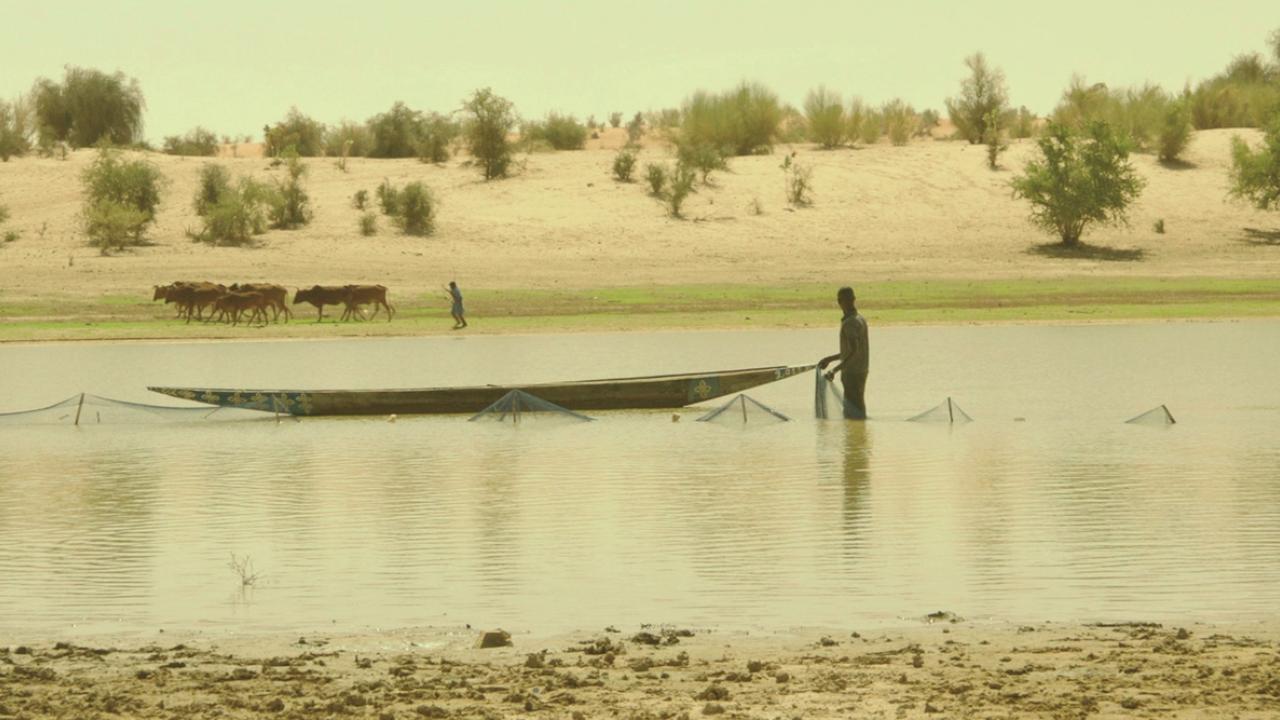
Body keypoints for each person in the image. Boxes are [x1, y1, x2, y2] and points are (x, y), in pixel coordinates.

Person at [818, 286, 869, 419]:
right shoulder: (859, 318)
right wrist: (830, 359)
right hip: (861, 369)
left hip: (853, 372)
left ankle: (856, 437)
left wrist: (834, 370)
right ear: (853, 299)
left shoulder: (850, 323)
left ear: (840, 301)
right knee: (857, 405)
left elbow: (854, 351)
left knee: (853, 409)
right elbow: (851, 351)